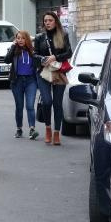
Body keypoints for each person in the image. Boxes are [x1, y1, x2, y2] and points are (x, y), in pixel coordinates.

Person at [33, 11, 72, 145]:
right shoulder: (39, 37)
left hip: (59, 72)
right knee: (47, 101)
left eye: (50, 20)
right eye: (45, 21)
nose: (48, 23)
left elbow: (69, 52)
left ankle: (56, 133)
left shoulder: (63, 35)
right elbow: (34, 55)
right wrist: (43, 59)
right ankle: (48, 129)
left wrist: (56, 57)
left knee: (57, 103)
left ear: (55, 21)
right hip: (43, 73)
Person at [4, 30, 40, 140]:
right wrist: (12, 46)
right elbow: (6, 60)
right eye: (18, 38)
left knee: (30, 106)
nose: (20, 40)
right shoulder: (14, 50)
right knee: (19, 106)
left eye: (23, 38)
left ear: (27, 39)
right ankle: (19, 129)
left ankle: (32, 129)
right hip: (17, 81)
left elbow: (38, 64)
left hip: (31, 81)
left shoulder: (33, 51)